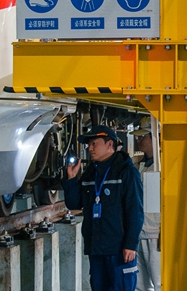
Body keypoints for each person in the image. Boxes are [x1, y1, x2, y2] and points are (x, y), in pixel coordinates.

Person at [63, 125, 145, 291]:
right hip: (97, 248)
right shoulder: (90, 174)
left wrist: (130, 244)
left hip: (119, 249)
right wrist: (71, 179)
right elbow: (74, 204)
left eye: (94, 144)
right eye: (89, 145)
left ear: (109, 145)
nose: (90, 148)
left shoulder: (126, 172)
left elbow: (135, 210)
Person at [132, 117, 161, 290]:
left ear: (156, 137)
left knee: (160, 283)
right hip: (138, 232)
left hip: (157, 235)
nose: (139, 140)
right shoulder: (136, 164)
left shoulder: (164, 166)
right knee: (140, 285)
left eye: (143, 136)